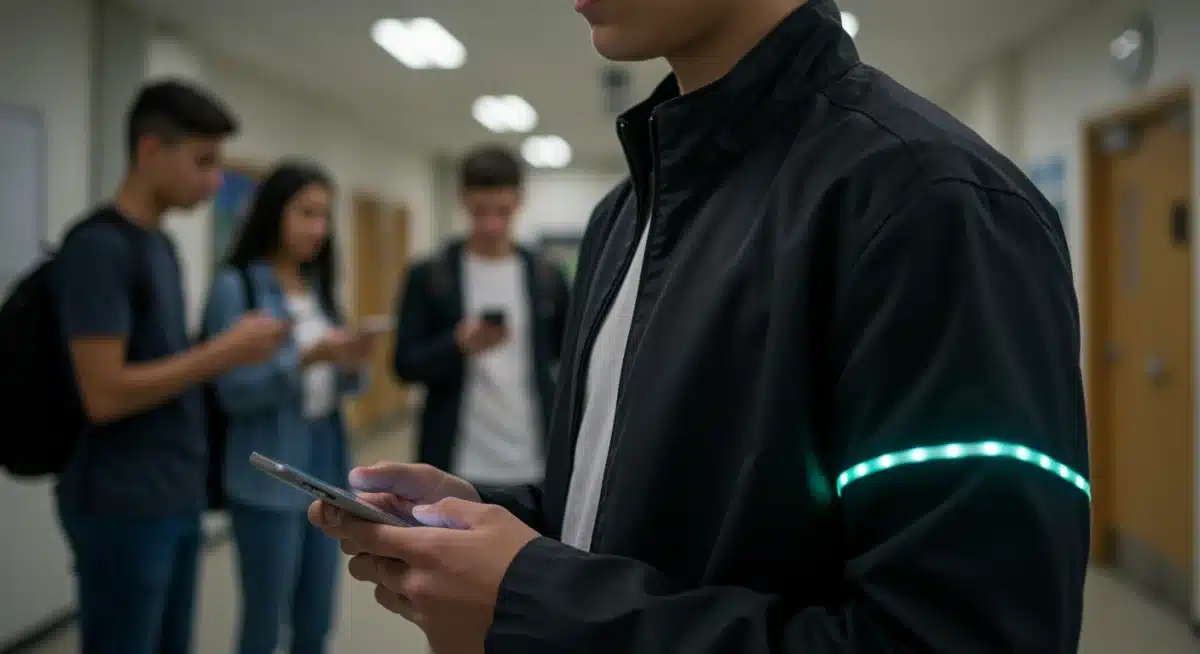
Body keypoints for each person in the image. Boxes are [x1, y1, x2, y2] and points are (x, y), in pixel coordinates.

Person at [311, 1, 1091, 653]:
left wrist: (538, 600)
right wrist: (497, 519)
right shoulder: (625, 215)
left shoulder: (928, 206)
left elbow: (954, 637)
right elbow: (643, 507)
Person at [55, 80, 290, 654]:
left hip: (173, 495)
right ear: (150, 151)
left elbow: (166, 365)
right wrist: (223, 353)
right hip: (123, 502)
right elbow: (104, 394)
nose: (214, 181)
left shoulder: (158, 246)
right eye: (202, 162)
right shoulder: (99, 249)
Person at [202, 162, 375, 654]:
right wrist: (305, 359)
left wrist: (349, 361)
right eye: (306, 213)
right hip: (266, 471)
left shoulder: (317, 287)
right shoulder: (238, 287)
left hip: (326, 461)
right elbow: (231, 392)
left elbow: (344, 388)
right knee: (264, 621)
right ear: (274, 212)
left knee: (316, 619)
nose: (318, 229)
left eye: (324, 216)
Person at [392, 145, 570, 487]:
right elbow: (404, 365)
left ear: (519, 201)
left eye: (502, 211)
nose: (491, 225)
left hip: (534, 459)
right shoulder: (431, 275)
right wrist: (456, 344)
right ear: (462, 201)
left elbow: (568, 358)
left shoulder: (547, 276)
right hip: (455, 461)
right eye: (480, 211)